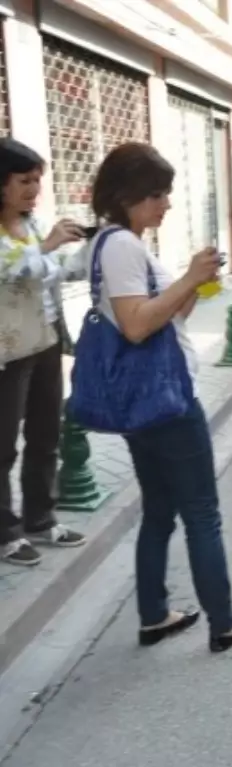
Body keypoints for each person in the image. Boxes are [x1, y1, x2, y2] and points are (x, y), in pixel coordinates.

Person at [82, 142, 232, 651]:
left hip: (148, 400)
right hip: (166, 400)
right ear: (125, 195)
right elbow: (137, 327)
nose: (166, 205)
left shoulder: (121, 244)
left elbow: (165, 322)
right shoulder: (120, 246)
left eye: (167, 194)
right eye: (156, 195)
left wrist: (198, 287)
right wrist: (187, 278)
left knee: (160, 509)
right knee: (202, 511)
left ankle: (154, 613)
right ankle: (224, 623)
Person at [0, 137, 87, 566]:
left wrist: (90, 249)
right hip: (7, 351)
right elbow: (15, 268)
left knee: (45, 434)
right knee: (2, 446)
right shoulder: (21, 234)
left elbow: (50, 273)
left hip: (46, 340)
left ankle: (40, 518)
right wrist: (49, 247)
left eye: (37, 180)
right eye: (24, 180)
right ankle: (5, 533)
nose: (33, 189)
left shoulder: (31, 226)